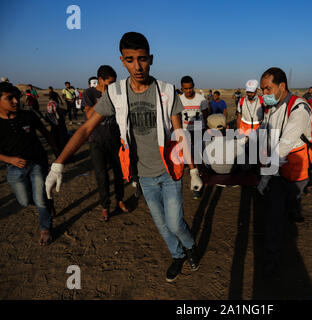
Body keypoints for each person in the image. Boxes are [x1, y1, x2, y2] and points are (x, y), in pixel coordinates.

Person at [45, 32, 202, 282]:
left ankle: (190, 246)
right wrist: (58, 163)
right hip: (144, 176)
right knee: (162, 226)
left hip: (169, 171)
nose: (137, 66)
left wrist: (193, 170)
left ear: (151, 58)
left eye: (142, 59)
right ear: (122, 60)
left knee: (174, 223)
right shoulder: (115, 94)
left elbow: (180, 132)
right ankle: (177, 255)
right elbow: (86, 128)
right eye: (130, 60)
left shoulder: (167, 92)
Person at [257, 67, 312, 278]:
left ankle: (292, 216)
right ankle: (271, 262)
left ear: (282, 86)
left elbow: (284, 145)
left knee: (291, 204)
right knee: (273, 216)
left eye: (268, 89)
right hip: (277, 172)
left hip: (294, 171)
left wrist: (264, 176)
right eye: (262, 90)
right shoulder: (272, 107)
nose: (264, 94)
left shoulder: (299, 108)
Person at [0, 82, 58, 245]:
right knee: (25, 201)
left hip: (37, 162)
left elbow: (46, 133)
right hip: (14, 168)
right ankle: (47, 203)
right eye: (9, 98)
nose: (16, 102)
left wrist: (57, 153)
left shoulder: (28, 116)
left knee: (39, 198)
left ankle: (45, 228)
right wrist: (9, 159)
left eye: (16, 98)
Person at [82, 65, 128, 221]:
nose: (112, 86)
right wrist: (103, 97)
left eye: (114, 83)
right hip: (96, 141)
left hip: (115, 139)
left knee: (119, 173)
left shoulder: (116, 93)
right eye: (109, 83)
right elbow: (89, 115)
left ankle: (120, 200)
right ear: (100, 80)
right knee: (102, 176)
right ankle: (105, 206)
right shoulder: (89, 93)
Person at [179, 75, 209, 140]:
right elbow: (178, 117)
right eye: (186, 89)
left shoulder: (201, 99)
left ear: (193, 86)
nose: (188, 91)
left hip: (199, 130)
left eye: (190, 88)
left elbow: (206, 116)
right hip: (185, 130)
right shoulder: (179, 100)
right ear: (182, 88)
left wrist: (207, 129)